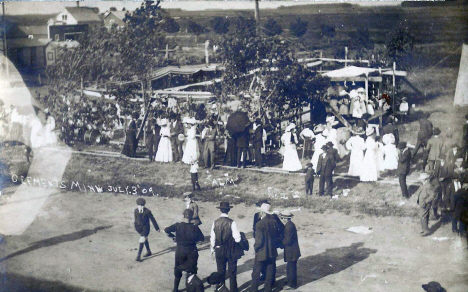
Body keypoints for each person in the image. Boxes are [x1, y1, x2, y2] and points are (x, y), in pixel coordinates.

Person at [165, 209, 205, 292]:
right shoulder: (195, 227)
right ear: (191, 217)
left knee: (178, 268)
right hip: (192, 250)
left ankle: (175, 289)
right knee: (191, 270)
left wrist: (173, 237)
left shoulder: (178, 225)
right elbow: (202, 239)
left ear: (183, 216)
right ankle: (189, 288)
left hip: (180, 250)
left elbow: (166, 230)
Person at [210, 202, 242, 292]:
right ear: (229, 210)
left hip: (219, 249)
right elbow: (237, 239)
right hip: (230, 250)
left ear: (220, 210)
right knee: (232, 272)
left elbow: (212, 238)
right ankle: (233, 290)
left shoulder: (215, 222)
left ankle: (221, 289)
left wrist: (212, 250)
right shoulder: (232, 222)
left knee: (220, 272)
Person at [251, 203, 281, 292]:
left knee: (256, 272)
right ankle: (268, 289)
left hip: (261, 251)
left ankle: (254, 290)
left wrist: (256, 248)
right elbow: (277, 236)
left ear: (262, 212)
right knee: (270, 271)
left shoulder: (259, 224)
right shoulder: (274, 222)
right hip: (272, 250)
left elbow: (259, 241)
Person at [279, 210, 301, 291]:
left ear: (285, 218)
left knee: (291, 268)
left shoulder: (289, 226)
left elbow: (287, 241)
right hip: (293, 250)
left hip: (292, 251)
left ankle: (292, 285)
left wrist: (280, 241)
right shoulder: (289, 224)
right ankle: (290, 282)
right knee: (290, 267)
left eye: (282, 217)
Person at [134, 198, 160, 262]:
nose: (141, 207)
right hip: (139, 228)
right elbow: (136, 219)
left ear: (144, 205)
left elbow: (153, 220)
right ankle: (149, 251)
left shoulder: (147, 211)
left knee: (142, 239)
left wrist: (157, 228)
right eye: (139, 205)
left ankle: (138, 256)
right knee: (144, 239)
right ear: (137, 205)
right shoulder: (136, 211)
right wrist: (136, 227)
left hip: (146, 228)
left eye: (142, 205)